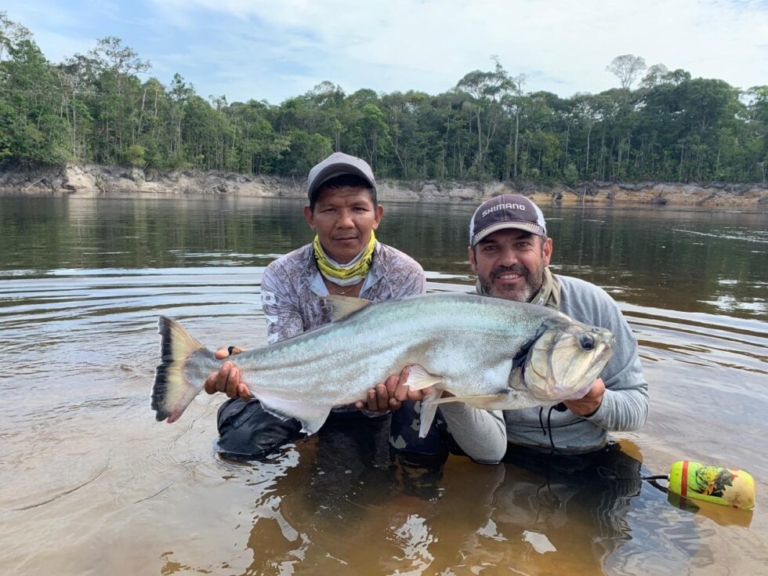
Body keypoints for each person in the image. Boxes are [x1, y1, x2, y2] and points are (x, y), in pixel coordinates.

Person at [203, 152, 506, 465]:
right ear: (310, 216)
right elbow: (285, 354)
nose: (345, 222)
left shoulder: (406, 272)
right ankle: (306, 443)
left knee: (421, 448)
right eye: (330, 209)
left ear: (377, 215)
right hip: (304, 393)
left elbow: (409, 363)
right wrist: (244, 367)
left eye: (358, 208)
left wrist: (384, 399)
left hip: (379, 404)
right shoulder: (282, 273)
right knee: (238, 444)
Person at [466, 193, 649, 453]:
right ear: (473, 259)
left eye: (522, 245)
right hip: (499, 456)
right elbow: (483, 445)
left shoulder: (593, 304)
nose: (508, 260)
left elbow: (637, 407)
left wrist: (598, 405)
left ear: (546, 251)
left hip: (587, 458)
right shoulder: (457, 324)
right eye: (491, 248)